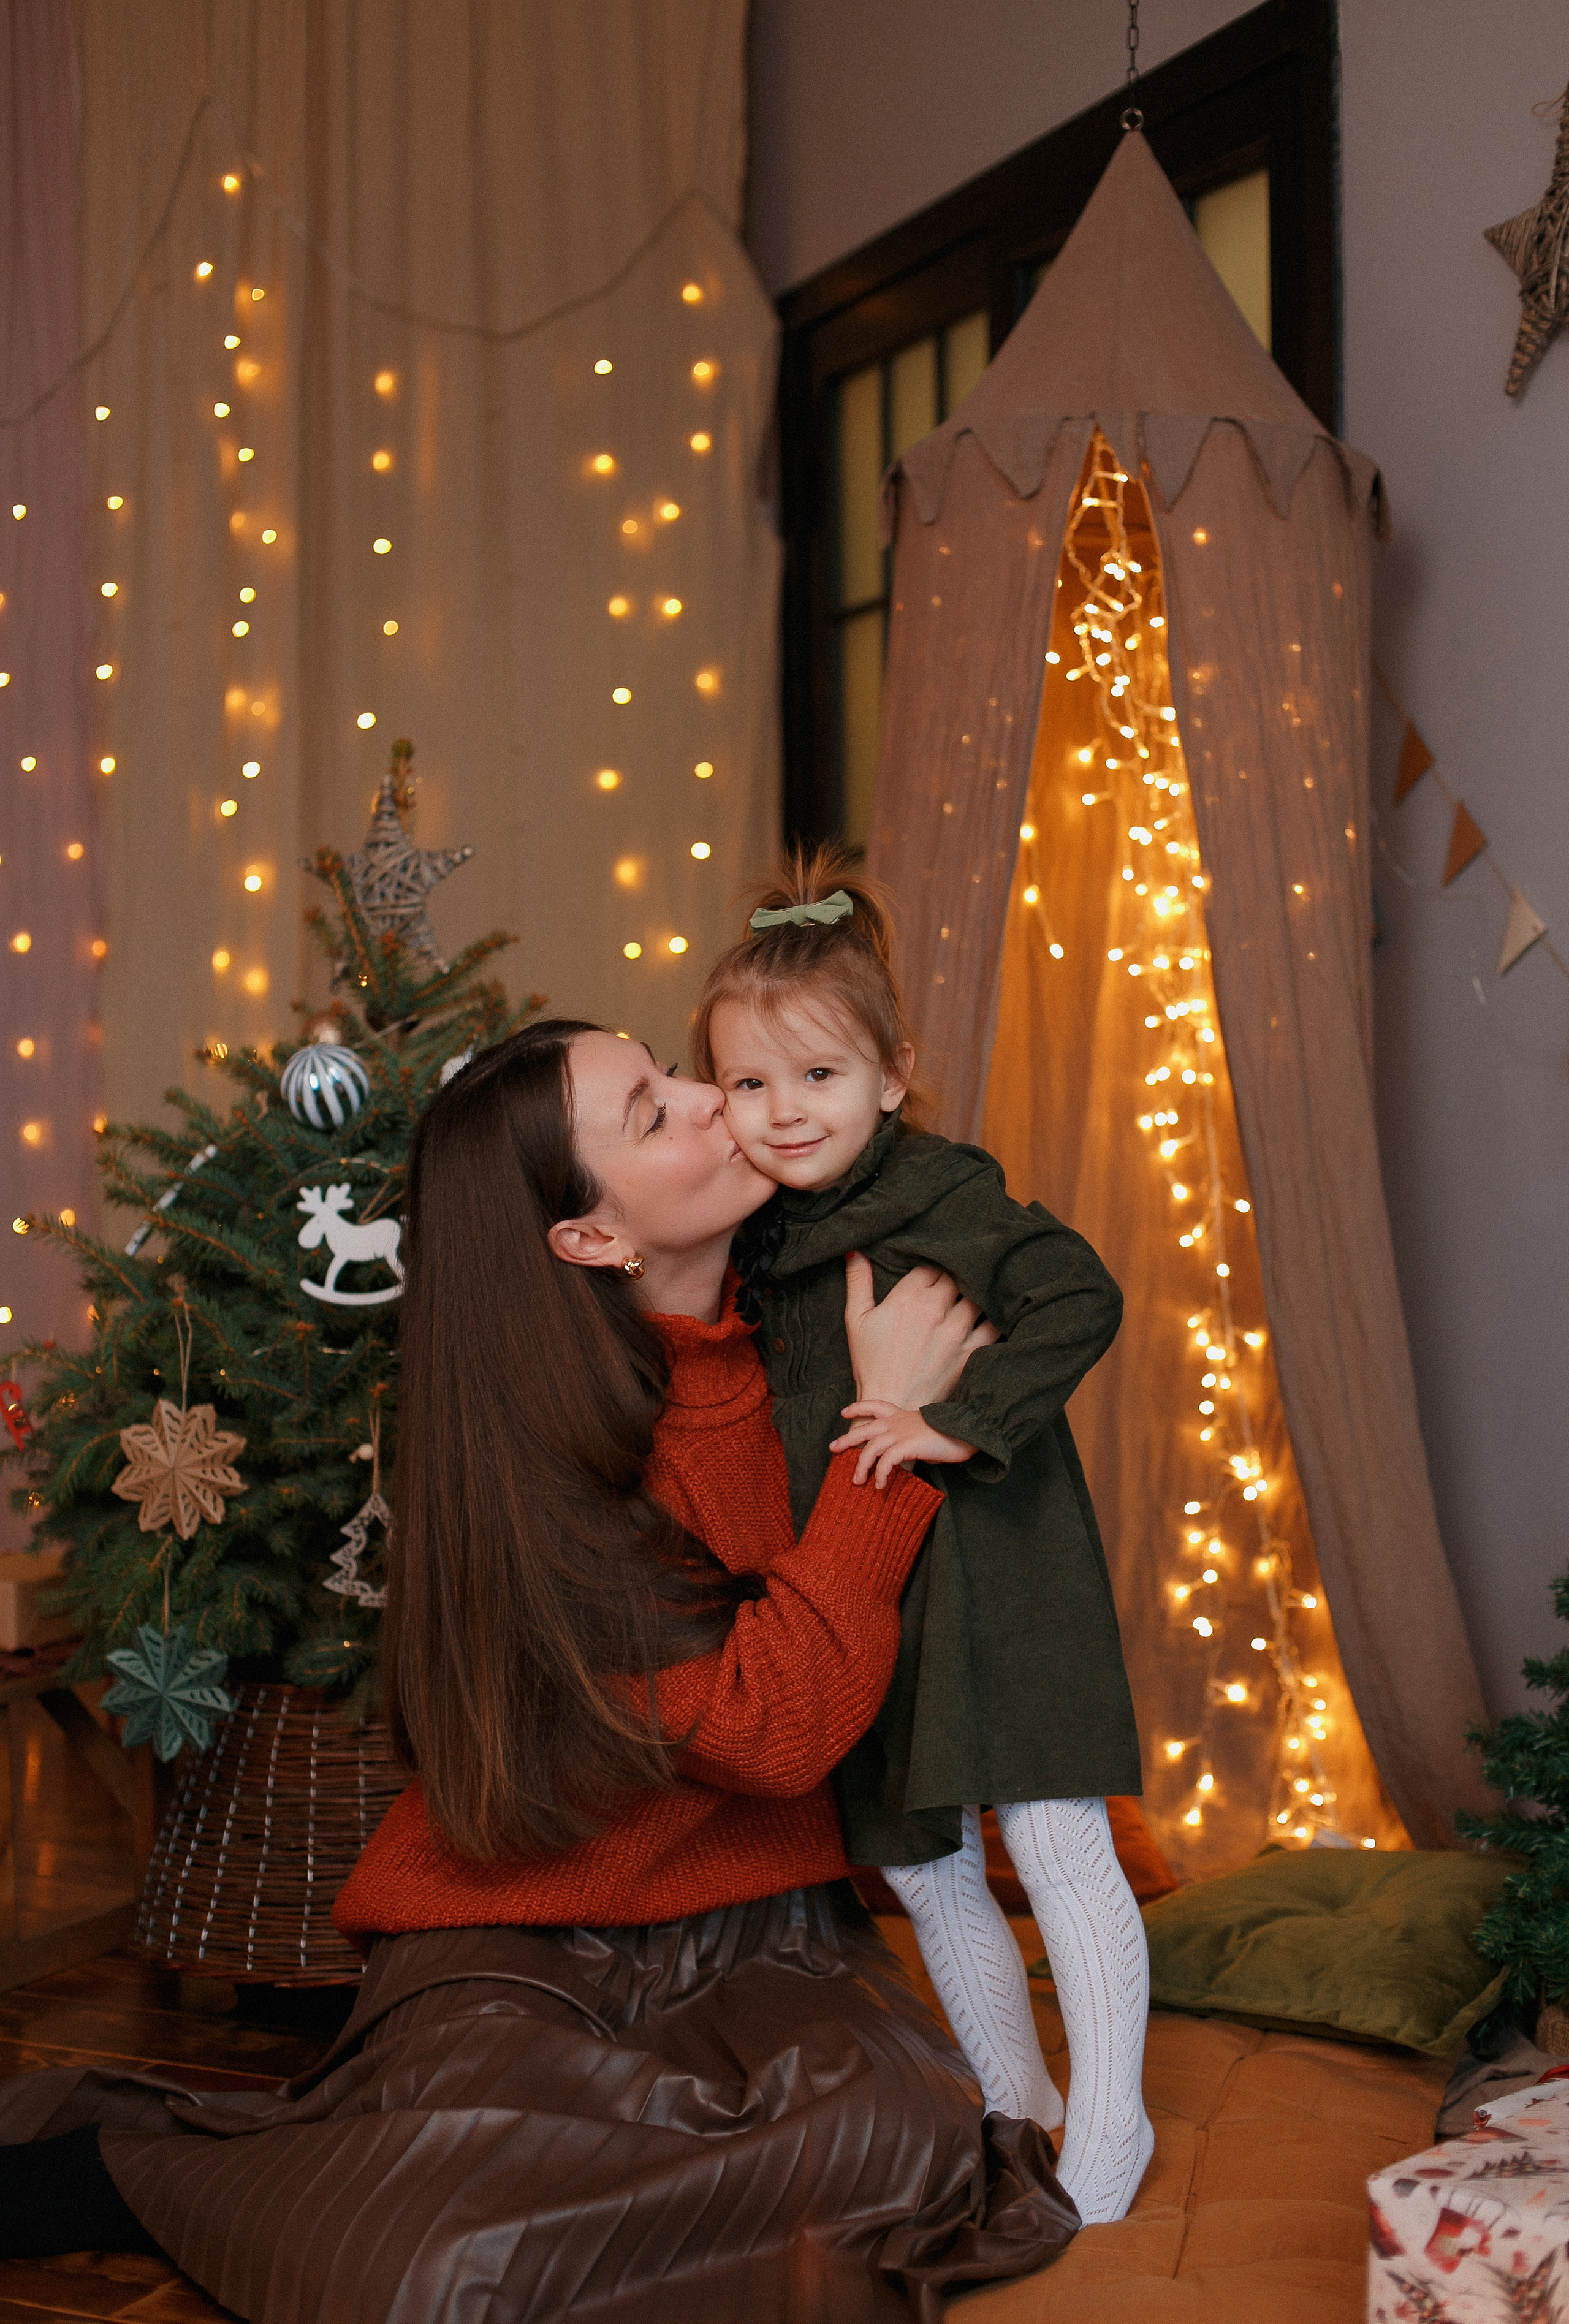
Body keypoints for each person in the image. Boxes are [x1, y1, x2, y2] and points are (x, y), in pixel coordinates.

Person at [0, 1017, 1077, 2321]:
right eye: (650, 1111)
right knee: (432, 2267)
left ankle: (403, 2166)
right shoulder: (538, 1464)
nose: (708, 1102)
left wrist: (897, 1411)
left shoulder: (826, 1330)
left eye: (675, 1075)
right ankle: (140, 2176)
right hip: (515, 1934)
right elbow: (773, 1727)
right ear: (590, 1238)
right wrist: (881, 1452)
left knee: (904, 2144)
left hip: (762, 1940)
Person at [693, 854, 1155, 2228]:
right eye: (748, 1085)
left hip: (997, 1577)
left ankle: (1110, 2130)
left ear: (892, 1074)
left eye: (818, 1079)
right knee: (912, 1848)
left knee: (1053, 1832)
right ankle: (1014, 2101)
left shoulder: (947, 1191)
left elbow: (1077, 1289)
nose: (783, 1115)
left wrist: (961, 1413)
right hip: (866, 1587)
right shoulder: (756, 1231)